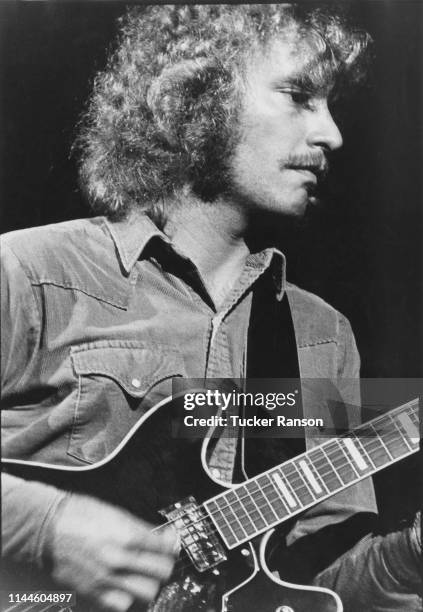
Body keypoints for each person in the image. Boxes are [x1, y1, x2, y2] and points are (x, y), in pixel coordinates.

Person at [1, 5, 421, 612]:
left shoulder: (322, 336)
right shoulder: (31, 273)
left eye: (331, 105)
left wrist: (413, 550)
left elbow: (320, 587)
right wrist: (47, 529)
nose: (333, 134)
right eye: (299, 95)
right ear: (195, 97)